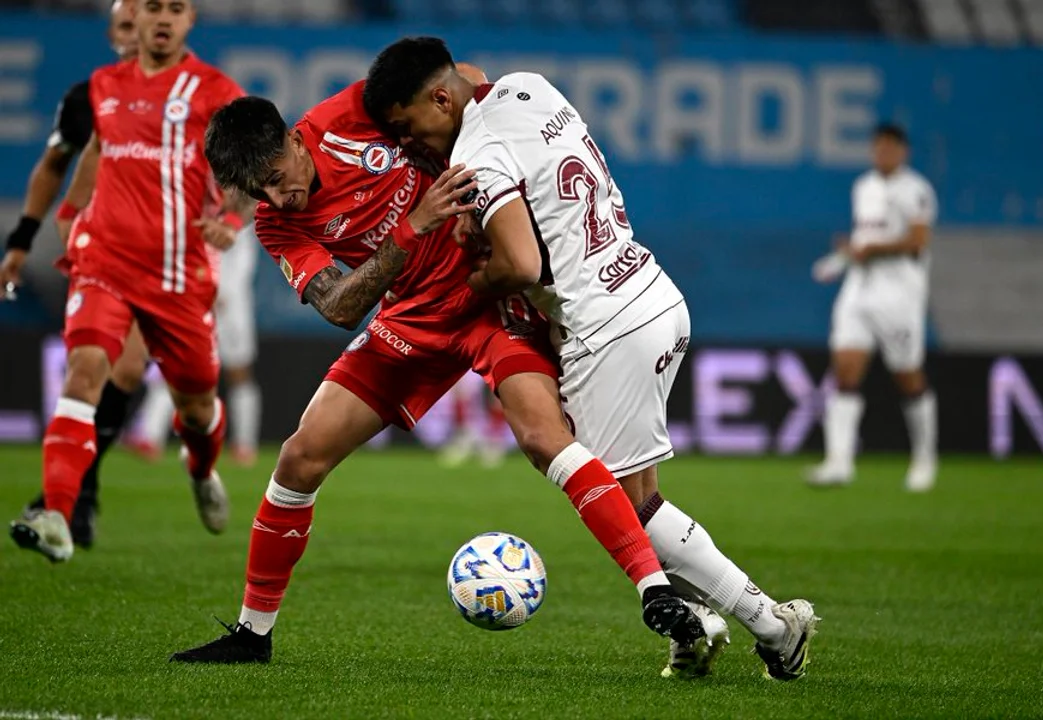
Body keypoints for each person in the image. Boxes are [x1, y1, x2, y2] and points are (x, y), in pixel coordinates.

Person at [170, 74, 706, 665]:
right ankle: (252, 635)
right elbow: (339, 307)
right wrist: (412, 227)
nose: (275, 200)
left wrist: (483, 187)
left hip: (487, 299)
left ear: (295, 140)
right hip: (411, 321)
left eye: (276, 178)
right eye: (258, 192)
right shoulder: (277, 225)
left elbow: (461, 80)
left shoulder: (352, 114)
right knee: (299, 457)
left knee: (543, 439)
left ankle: (654, 591)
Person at [363, 37, 819, 681]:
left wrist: (474, 279)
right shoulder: (528, 86)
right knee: (642, 499)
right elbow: (473, 76)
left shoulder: (475, 156)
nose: (409, 143)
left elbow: (521, 264)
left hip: (606, 329)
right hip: (650, 293)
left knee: (627, 511)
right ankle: (697, 636)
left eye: (407, 126)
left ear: (440, 99)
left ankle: (771, 625)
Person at [9, 0, 249, 563]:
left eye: (176, 9)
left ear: (191, 20)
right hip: (106, 265)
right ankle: (58, 515)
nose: (163, 19)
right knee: (84, 372)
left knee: (197, 407)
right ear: (133, 19)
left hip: (178, 275)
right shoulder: (102, 86)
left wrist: (232, 218)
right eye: (153, 8)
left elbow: (250, 168)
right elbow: (93, 155)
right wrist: (69, 217)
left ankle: (201, 469)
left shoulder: (216, 91)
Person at [0, 0, 142, 549]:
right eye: (126, 25)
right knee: (90, 368)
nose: (137, 34)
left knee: (127, 373)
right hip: (99, 255)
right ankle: (67, 499)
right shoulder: (87, 98)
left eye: (145, 23)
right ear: (112, 35)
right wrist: (21, 241)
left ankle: (80, 488)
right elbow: (52, 166)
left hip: (163, 259)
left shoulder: (191, 98)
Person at [808, 123, 938, 492]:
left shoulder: (916, 190)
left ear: (902, 151)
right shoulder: (863, 187)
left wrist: (871, 249)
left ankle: (924, 459)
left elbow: (918, 241)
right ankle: (839, 462)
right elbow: (865, 239)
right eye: (877, 147)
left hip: (899, 294)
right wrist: (846, 256)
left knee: (907, 375)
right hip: (859, 289)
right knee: (845, 370)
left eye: (889, 148)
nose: (882, 154)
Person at [128, 223, 263, 466]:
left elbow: (244, 256)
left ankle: (245, 443)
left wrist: (225, 291)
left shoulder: (241, 212)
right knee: (176, 364)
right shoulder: (198, 208)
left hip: (231, 306)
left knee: (239, 372)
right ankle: (150, 436)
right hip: (194, 299)